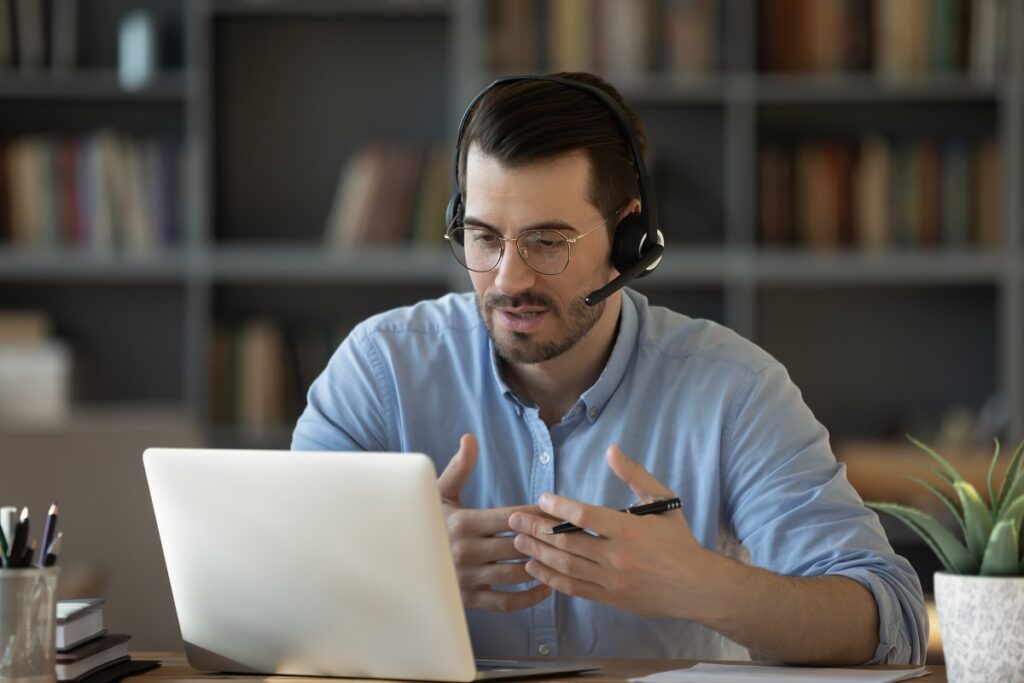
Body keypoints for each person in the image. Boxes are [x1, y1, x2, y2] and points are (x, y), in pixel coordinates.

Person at [292, 72, 927, 665]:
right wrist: (401, 567)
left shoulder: (733, 390)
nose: (508, 280)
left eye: (548, 242)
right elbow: (271, 581)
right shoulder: (380, 370)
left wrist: (702, 586)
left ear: (631, 240)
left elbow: (891, 621)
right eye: (484, 238)